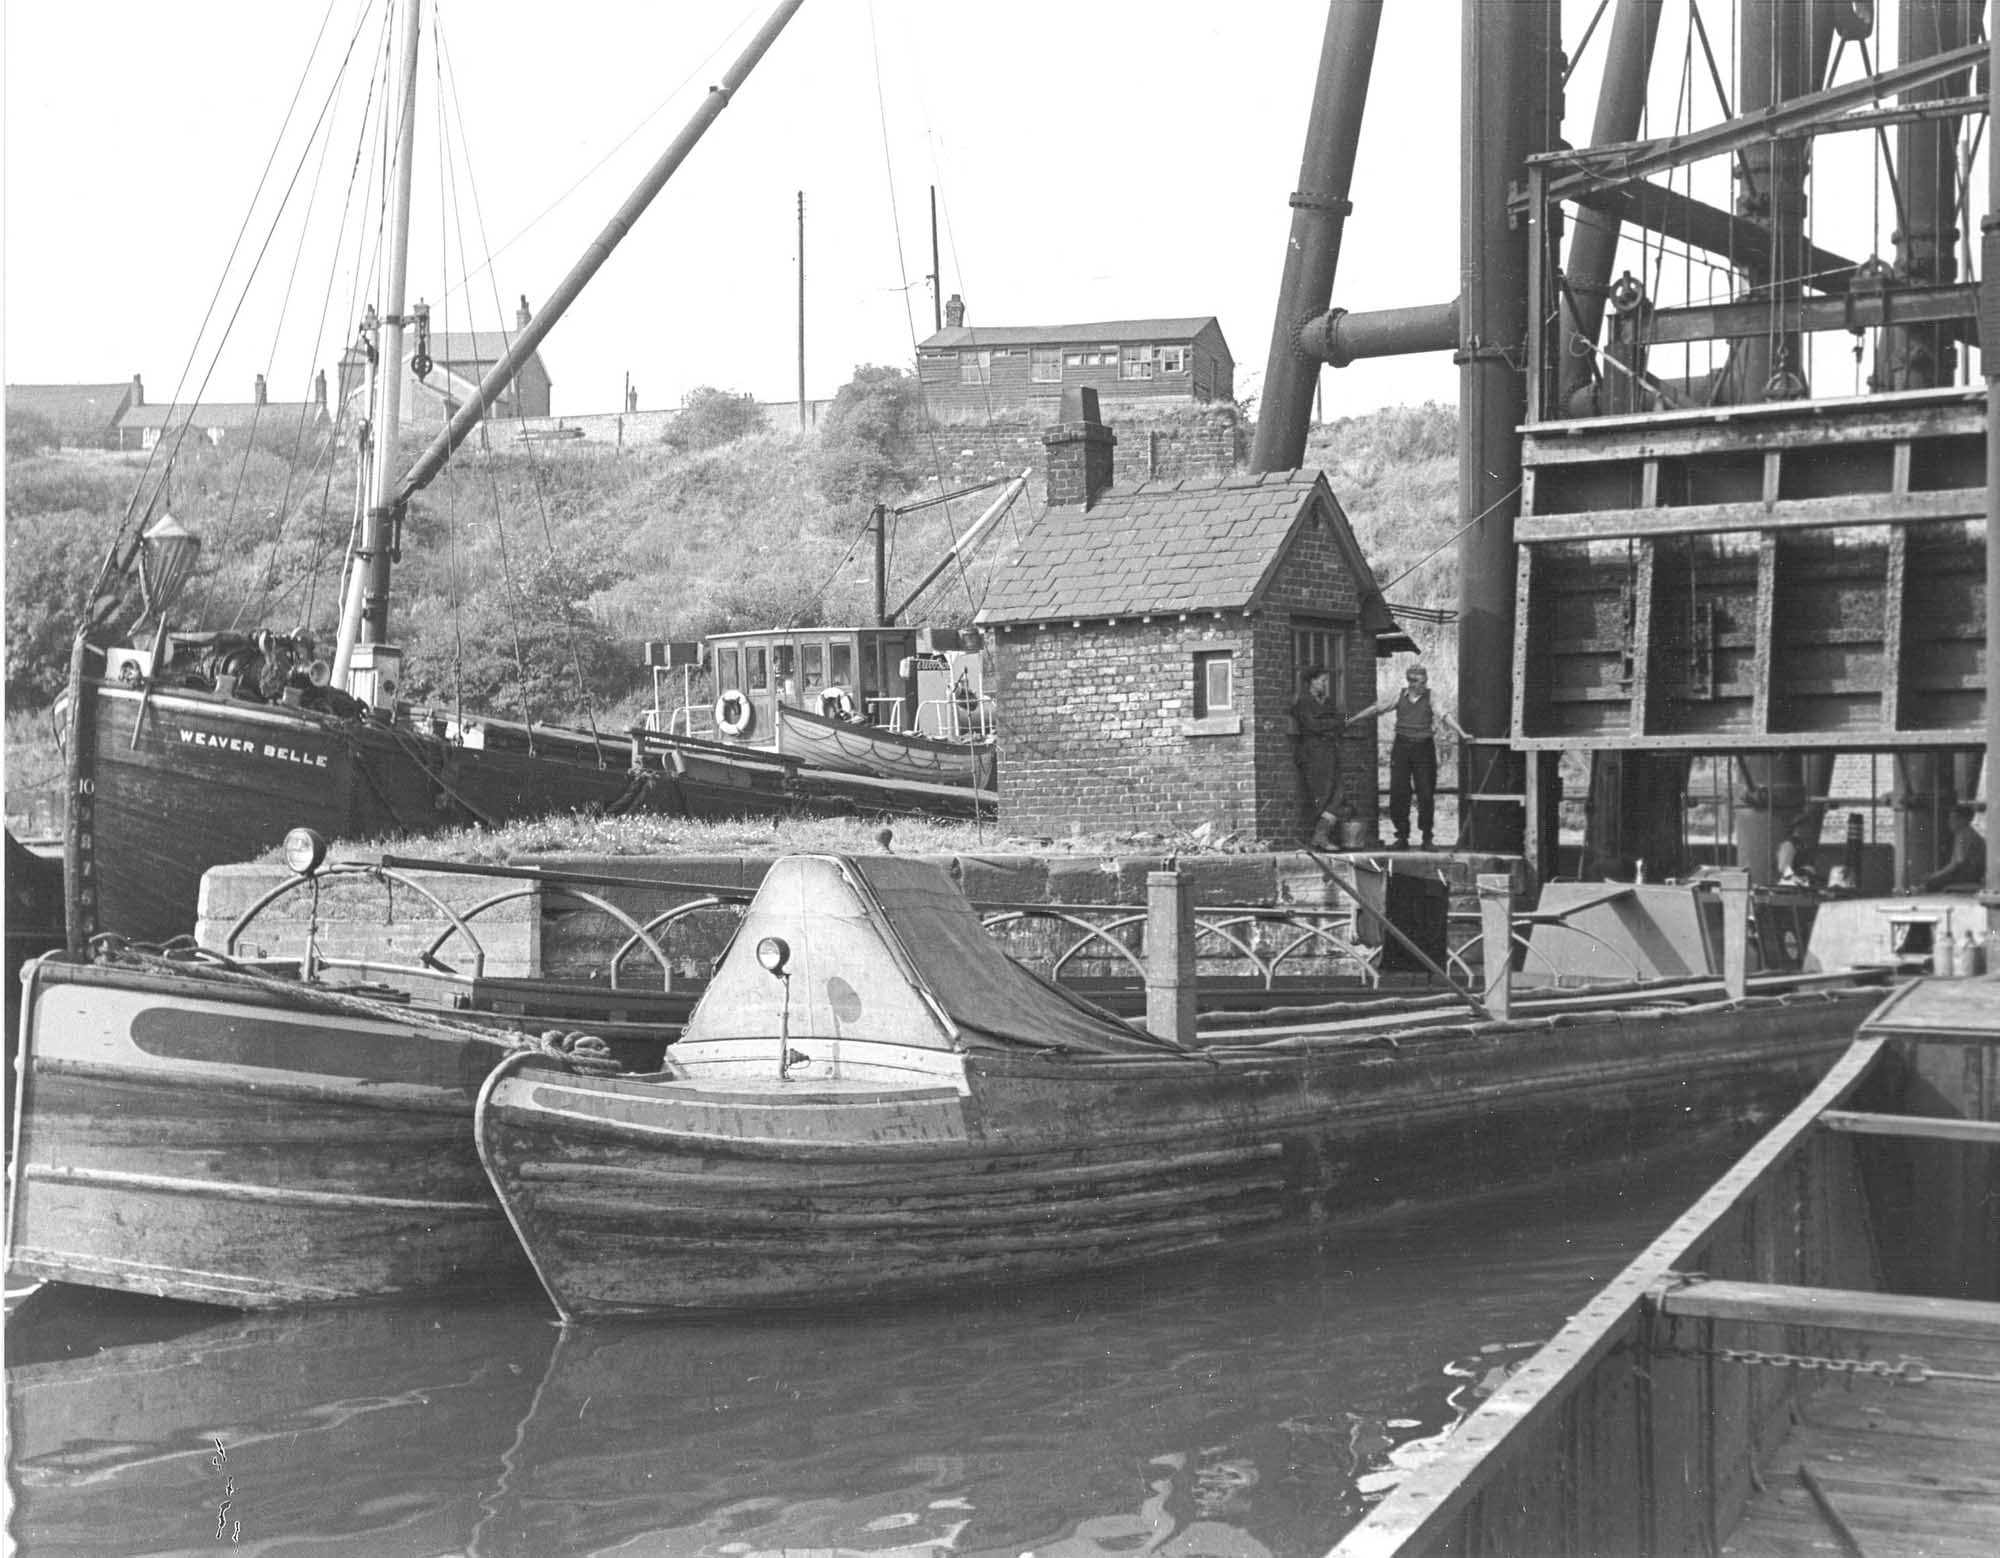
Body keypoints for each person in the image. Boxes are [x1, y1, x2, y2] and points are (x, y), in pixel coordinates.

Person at [1348, 662, 1465, 849]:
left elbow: (1444, 715)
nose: (1423, 685)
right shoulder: (1399, 695)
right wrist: (1353, 719)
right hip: (1402, 747)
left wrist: (1462, 733)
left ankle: (1427, 838)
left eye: (1424, 681)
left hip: (1423, 748)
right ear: (1410, 682)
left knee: (1426, 792)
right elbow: (1377, 708)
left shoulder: (1431, 696)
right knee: (1399, 792)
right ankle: (1401, 837)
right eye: (1419, 681)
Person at [1291, 667, 1344, 850]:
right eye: (1322, 680)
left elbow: (1339, 722)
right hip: (1313, 754)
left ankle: (1320, 835)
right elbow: (1313, 726)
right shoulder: (1303, 703)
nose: (1324, 684)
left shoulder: (1328, 702)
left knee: (1338, 795)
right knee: (1321, 795)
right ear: (1311, 682)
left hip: (1329, 753)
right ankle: (1318, 837)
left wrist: (1330, 724)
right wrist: (1331, 724)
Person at [1917, 805, 1986, 892]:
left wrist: (1934, 876)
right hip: (1973, 874)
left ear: (1964, 820)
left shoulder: (1964, 836)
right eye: (1950, 818)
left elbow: (1957, 864)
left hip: (1968, 875)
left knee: (1929, 884)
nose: (1950, 822)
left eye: (1954, 818)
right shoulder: (1967, 833)